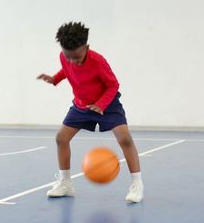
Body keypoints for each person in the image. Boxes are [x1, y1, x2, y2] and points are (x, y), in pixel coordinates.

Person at [37, 22, 144, 202]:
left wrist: (101, 105)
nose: (73, 61)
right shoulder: (65, 57)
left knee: (125, 139)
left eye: (77, 57)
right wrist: (55, 79)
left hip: (107, 105)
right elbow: (67, 69)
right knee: (61, 138)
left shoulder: (98, 61)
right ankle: (65, 183)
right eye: (68, 56)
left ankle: (137, 184)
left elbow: (113, 85)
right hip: (81, 106)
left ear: (87, 47)